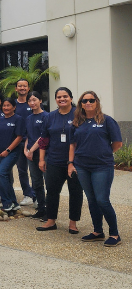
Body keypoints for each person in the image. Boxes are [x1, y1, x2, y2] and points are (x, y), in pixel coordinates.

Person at [70, 91, 123, 246]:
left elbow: (117, 143)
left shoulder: (106, 120)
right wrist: (71, 163)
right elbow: (73, 144)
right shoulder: (77, 122)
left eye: (91, 100)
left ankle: (114, 234)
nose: (88, 103)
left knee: (102, 200)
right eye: (84, 101)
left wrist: (103, 153)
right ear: (80, 104)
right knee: (92, 199)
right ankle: (98, 231)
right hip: (82, 166)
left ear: (97, 102)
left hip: (102, 166)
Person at [37, 87, 82, 233]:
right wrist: (41, 159)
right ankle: (51, 221)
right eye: (59, 97)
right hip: (54, 160)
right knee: (51, 191)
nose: (62, 99)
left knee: (75, 192)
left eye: (65, 96)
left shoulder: (79, 114)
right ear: (55, 99)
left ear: (71, 98)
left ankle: (73, 223)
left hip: (75, 162)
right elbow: (44, 139)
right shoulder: (49, 117)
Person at [0, 97, 26, 212]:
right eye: (4, 106)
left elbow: (19, 137)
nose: (5, 108)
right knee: (2, 176)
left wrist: (8, 150)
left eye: (8, 105)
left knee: (1, 173)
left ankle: (7, 203)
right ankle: (14, 203)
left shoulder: (18, 119)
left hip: (12, 152)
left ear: (14, 107)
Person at [23, 91, 47, 218]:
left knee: (48, 182)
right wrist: (26, 150)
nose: (32, 103)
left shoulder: (46, 117)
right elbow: (27, 136)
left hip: (44, 154)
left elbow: (43, 137)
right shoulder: (28, 118)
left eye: (34, 100)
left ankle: (50, 210)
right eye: (30, 101)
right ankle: (41, 208)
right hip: (31, 154)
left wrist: (31, 150)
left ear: (40, 101)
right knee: (36, 182)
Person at [13, 79, 36, 207]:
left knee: (35, 172)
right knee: (22, 170)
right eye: (20, 86)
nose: (22, 88)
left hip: (33, 143)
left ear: (28, 88)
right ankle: (28, 195)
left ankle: (37, 195)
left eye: (24, 86)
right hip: (18, 142)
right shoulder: (13, 105)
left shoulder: (33, 104)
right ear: (16, 88)